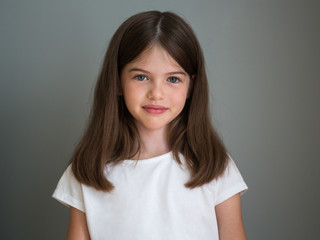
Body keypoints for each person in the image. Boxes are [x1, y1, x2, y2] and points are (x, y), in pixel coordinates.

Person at [53, 10, 248, 240]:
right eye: (141, 77)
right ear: (117, 81)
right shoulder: (89, 167)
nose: (157, 93)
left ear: (191, 87)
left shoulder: (214, 165)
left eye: (173, 79)